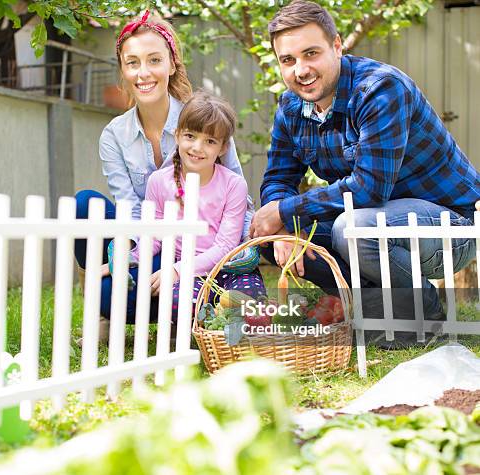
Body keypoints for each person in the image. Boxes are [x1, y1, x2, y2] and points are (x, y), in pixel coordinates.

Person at [249, 0, 479, 345]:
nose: (301, 70)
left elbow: (369, 189)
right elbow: (279, 178)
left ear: (337, 46)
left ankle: (424, 313)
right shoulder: (291, 107)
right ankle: (366, 309)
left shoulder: (380, 89)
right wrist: (282, 227)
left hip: (449, 226)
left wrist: (284, 211)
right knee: (266, 236)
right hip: (376, 227)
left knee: (351, 228)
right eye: (288, 60)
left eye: (311, 53)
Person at [74, 11, 255, 325]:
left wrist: (234, 255)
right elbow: (130, 207)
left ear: (172, 64)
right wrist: (124, 257)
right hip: (152, 237)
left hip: (200, 246)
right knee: (85, 206)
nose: (143, 73)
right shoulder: (114, 135)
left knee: (143, 290)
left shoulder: (204, 122)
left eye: (154, 60)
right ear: (123, 70)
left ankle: (189, 303)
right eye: (133, 63)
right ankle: (109, 309)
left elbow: (236, 189)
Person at [134, 91, 265, 315]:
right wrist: (127, 258)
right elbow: (155, 236)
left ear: (223, 148)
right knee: (175, 303)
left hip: (230, 269)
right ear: (177, 136)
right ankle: (208, 320)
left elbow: (225, 247)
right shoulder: (158, 181)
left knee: (253, 305)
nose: (197, 147)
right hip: (191, 273)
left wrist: (175, 270)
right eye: (190, 136)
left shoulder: (234, 185)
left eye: (210, 141)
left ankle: (221, 320)